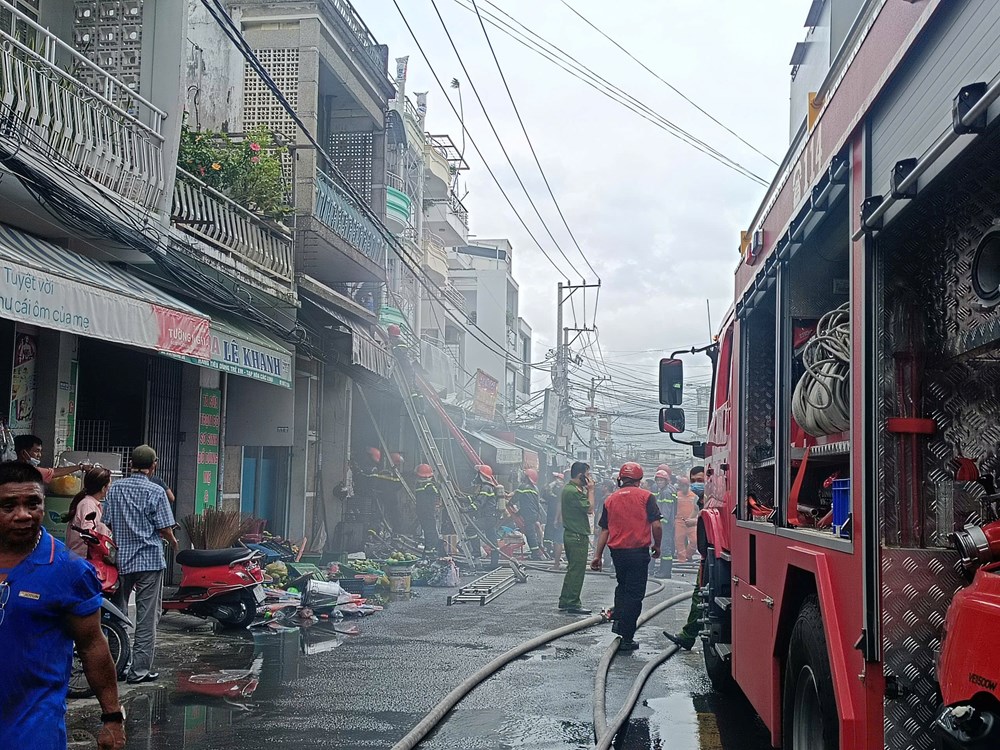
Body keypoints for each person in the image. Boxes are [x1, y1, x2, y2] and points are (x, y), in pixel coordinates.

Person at [0, 461, 126, 748]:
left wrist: (112, 719)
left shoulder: (68, 570)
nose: (23, 515)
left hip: (33, 731)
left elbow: (93, 645)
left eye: (33, 503)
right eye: (8, 506)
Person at [104, 444, 178, 684]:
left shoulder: (115, 489)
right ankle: (139, 671)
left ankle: (118, 666)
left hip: (121, 560)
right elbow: (165, 528)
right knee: (147, 617)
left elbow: (107, 522)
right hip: (149, 559)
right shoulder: (156, 491)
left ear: (130, 464)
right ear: (153, 466)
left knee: (118, 614)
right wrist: (174, 542)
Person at [591, 462, 662, 650]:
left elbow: (604, 531)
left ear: (620, 479)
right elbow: (656, 525)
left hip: (618, 554)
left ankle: (619, 623)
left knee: (622, 587)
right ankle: (627, 637)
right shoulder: (647, 497)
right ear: (639, 480)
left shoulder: (610, 499)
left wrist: (597, 556)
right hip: (638, 552)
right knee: (634, 595)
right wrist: (658, 546)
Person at [664, 466, 710, 651]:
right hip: (706, 554)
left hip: (709, 553)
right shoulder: (698, 498)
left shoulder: (713, 496)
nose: (697, 484)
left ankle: (688, 636)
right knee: (699, 594)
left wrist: (697, 520)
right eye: (694, 481)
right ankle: (688, 635)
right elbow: (695, 514)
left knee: (700, 595)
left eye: (700, 479)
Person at [558, 461, 594, 614]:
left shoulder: (571, 489)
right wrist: (591, 490)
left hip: (573, 533)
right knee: (577, 570)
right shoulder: (573, 491)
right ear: (581, 476)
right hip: (577, 535)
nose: (589, 478)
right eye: (587, 475)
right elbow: (590, 508)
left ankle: (565, 600)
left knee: (572, 569)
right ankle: (572, 603)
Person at [64, 467, 113, 558]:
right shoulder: (88, 505)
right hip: (84, 559)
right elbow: (88, 532)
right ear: (103, 488)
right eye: (109, 485)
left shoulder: (93, 503)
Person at [14, 434, 89, 483]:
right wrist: (80, 467)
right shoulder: (31, 472)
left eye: (40, 451)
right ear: (24, 453)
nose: (39, 455)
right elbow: (55, 472)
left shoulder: (8, 468)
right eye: (37, 451)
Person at [414, 464, 446, 557]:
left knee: (429, 530)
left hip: (422, 511)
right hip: (427, 512)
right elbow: (436, 491)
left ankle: (430, 549)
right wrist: (440, 483)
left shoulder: (419, 484)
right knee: (430, 531)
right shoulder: (428, 485)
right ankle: (430, 551)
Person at [513, 468, 544, 560]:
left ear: (527, 477)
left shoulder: (523, 487)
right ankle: (539, 547)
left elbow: (516, 497)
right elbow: (528, 502)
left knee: (530, 534)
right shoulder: (534, 488)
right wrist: (519, 512)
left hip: (529, 514)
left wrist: (509, 503)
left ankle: (536, 554)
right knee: (533, 532)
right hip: (534, 513)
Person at [653, 469, 676, 578]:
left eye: (661, 480)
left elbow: (666, 511)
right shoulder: (666, 490)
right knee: (664, 547)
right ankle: (663, 570)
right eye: (657, 480)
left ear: (666, 481)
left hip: (665, 525)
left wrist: (660, 523)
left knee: (665, 548)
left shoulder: (666, 492)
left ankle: (665, 572)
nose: (659, 482)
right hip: (666, 524)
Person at [674, 476, 699, 563]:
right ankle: (681, 559)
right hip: (679, 521)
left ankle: (688, 555)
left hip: (691, 521)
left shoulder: (694, 496)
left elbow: (697, 508)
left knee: (694, 541)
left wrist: (693, 519)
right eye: (682, 486)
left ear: (688, 486)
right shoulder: (677, 495)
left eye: (685, 486)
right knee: (679, 540)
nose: (683, 488)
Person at [542, 472, 564, 568]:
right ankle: (550, 551)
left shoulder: (554, 487)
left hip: (555, 514)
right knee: (555, 536)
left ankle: (551, 552)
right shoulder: (560, 488)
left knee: (555, 537)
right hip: (556, 514)